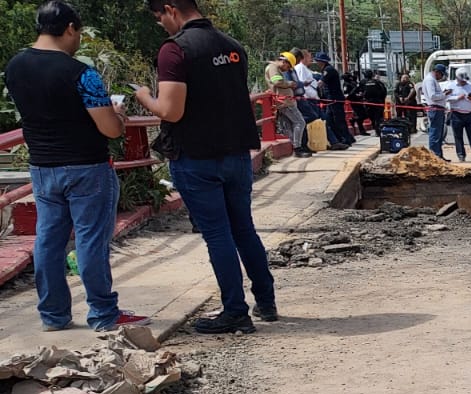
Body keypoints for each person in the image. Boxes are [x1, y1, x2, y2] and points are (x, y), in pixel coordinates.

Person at [6, 0, 148, 331]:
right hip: (86, 167)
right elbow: (110, 129)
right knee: (90, 242)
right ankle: (102, 313)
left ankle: (53, 315)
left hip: (42, 167)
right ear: (70, 29)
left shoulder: (15, 66)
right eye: (78, 33)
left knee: (48, 241)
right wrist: (119, 117)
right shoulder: (81, 73)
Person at [136, 0, 274, 335]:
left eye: (159, 18)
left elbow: (170, 111)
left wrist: (143, 96)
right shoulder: (232, 46)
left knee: (217, 233)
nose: (161, 26)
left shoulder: (175, 50)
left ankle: (235, 311)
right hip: (237, 153)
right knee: (243, 228)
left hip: (196, 156)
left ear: (170, 9)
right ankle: (266, 302)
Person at [265, 51, 311, 158]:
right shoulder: (273, 68)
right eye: (288, 66)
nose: (287, 69)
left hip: (285, 101)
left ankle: (295, 147)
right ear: (284, 62)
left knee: (290, 126)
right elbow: (277, 82)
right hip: (285, 102)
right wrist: (290, 84)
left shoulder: (274, 68)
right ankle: (297, 148)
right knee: (300, 122)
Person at [447, 68, 471, 162]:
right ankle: (461, 156)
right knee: (458, 137)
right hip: (456, 114)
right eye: (461, 80)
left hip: (469, 114)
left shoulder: (470, 85)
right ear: (457, 78)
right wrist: (458, 97)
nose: (463, 82)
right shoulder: (451, 86)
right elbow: (446, 97)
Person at [419, 63, 450, 158]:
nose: (441, 77)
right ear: (437, 72)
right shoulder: (430, 80)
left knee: (439, 134)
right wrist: (444, 94)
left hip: (438, 109)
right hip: (435, 108)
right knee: (435, 133)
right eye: (441, 75)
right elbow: (433, 96)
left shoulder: (432, 80)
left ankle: (439, 155)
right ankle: (434, 156)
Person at [359, 69, 387, 135]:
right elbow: (383, 92)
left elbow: (359, 92)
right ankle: (378, 131)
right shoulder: (378, 82)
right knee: (377, 117)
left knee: (369, 116)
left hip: (367, 103)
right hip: (377, 102)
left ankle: (372, 128)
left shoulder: (362, 82)